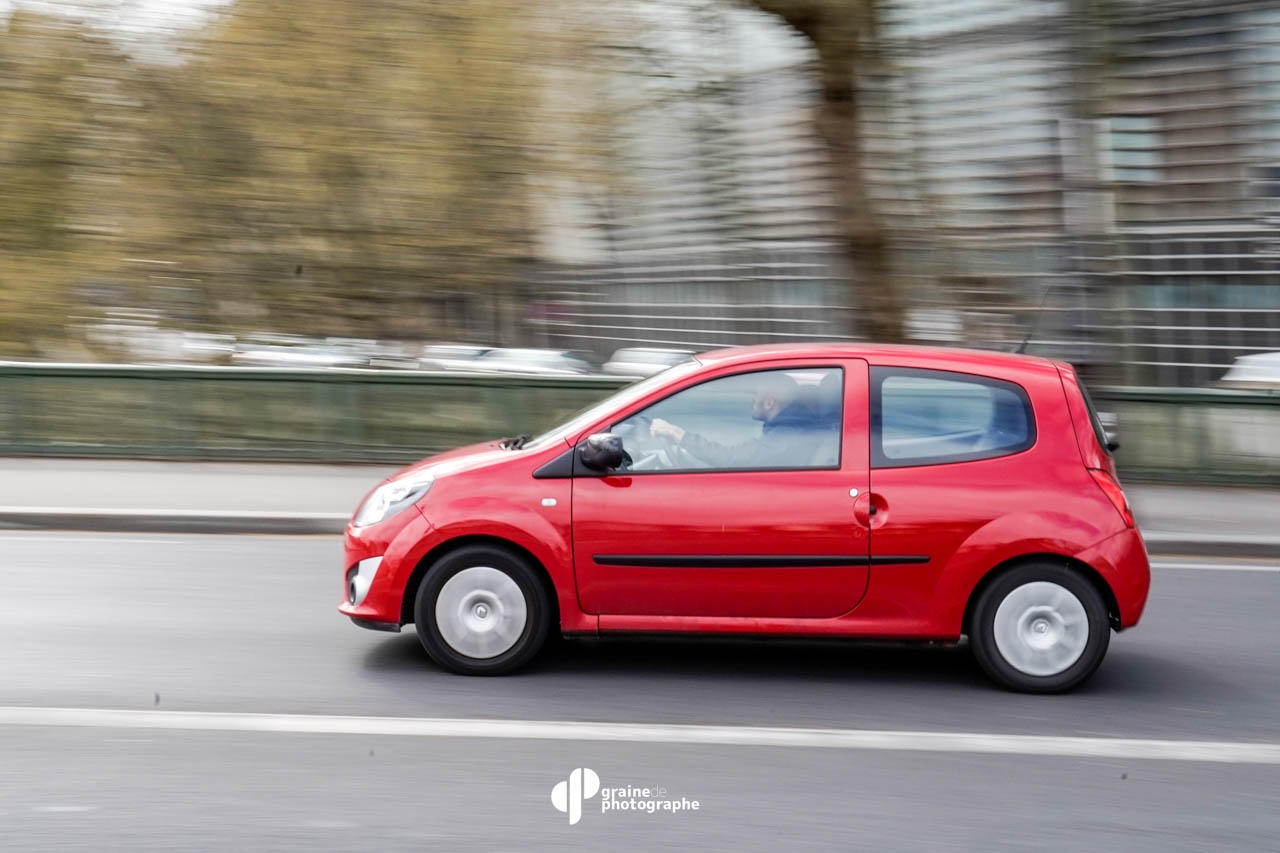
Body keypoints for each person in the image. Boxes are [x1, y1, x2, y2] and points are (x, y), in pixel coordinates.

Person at [650, 372, 817, 468]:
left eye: (755, 395)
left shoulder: (783, 438)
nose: (752, 401)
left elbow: (729, 457)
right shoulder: (791, 428)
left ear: (769, 403)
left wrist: (677, 433)